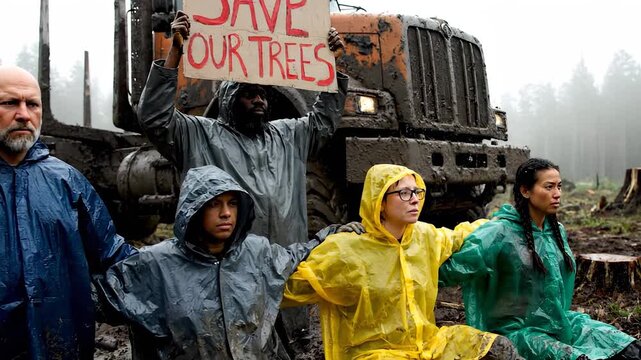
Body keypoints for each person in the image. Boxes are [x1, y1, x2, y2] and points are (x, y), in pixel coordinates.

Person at [137, 10, 348, 344]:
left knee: (289, 342)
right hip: (224, 276)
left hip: (283, 268)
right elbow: (154, 117)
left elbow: (322, 121)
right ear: (228, 98)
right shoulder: (199, 135)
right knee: (233, 340)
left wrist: (333, 64)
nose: (260, 100)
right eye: (249, 93)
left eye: (262, 93)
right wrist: (175, 53)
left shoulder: (287, 135)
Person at [95, 165, 349, 359]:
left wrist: (336, 233)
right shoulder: (156, 263)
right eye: (214, 204)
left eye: (232, 203)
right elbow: (94, 299)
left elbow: (298, 254)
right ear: (193, 209)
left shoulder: (256, 252)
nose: (226, 213)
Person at [282, 164, 523, 359]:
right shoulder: (344, 250)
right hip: (374, 354)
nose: (415, 199)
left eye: (417, 191)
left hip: (429, 345)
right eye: (404, 193)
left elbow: (460, 235)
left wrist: (503, 220)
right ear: (380, 202)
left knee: (498, 349)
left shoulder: (424, 236)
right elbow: (286, 288)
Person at [439, 158, 641, 359]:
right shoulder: (498, 232)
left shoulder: (556, 230)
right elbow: (453, 269)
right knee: (577, 358)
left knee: (627, 347)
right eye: (549, 187)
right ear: (525, 191)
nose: (557, 194)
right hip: (518, 331)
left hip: (557, 320)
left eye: (559, 187)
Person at [0, 65, 137, 359]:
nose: (24, 114)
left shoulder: (67, 181)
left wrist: (175, 268)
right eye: (10, 102)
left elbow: (112, 252)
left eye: (32, 104)